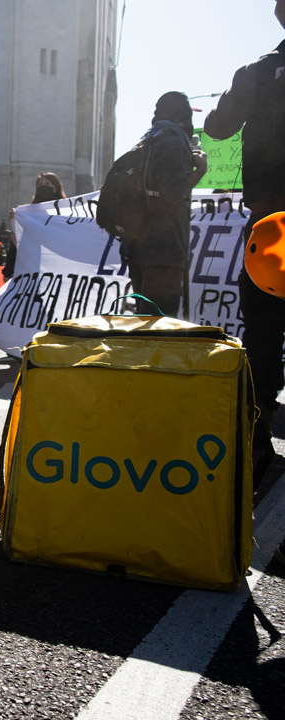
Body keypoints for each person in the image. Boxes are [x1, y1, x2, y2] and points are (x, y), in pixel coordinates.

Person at [205, 1, 285, 512]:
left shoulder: (256, 74)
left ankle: (256, 448)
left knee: (262, 334)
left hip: (271, 229)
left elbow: (217, 129)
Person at [121, 92, 207, 317]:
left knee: (145, 318)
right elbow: (173, 193)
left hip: (139, 247)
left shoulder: (147, 141)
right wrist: (201, 170)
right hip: (164, 249)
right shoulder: (174, 143)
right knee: (161, 323)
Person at [3, 173, 67, 280]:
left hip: (56, 268)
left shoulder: (65, 210)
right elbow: (17, 243)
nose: (43, 187)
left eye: (47, 184)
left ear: (56, 187)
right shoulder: (27, 213)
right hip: (33, 266)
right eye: (40, 185)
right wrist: (9, 272)